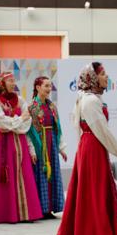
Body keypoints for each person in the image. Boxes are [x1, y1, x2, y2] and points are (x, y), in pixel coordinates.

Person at [53, 63, 117, 235]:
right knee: (96, 193)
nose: (107, 77)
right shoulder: (90, 101)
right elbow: (103, 132)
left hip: (91, 146)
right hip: (93, 147)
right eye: (103, 74)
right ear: (92, 78)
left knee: (90, 193)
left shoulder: (89, 99)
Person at [0, 72, 43, 224]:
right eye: (10, 81)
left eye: (14, 80)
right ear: (2, 83)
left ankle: (25, 214)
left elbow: (28, 122)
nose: (13, 83)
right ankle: (6, 214)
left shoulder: (20, 100)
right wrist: (19, 120)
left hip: (20, 143)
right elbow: (1, 123)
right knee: (5, 177)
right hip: (4, 145)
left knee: (23, 174)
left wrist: (14, 124)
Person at [28, 76, 67, 219]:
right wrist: (32, 149)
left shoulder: (52, 106)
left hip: (51, 143)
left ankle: (50, 208)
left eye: (50, 86)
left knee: (52, 175)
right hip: (40, 144)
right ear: (38, 88)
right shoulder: (32, 107)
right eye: (46, 86)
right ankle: (41, 209)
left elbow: (58, 128)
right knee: (41, 174)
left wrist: (61, 148)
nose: (49, 89)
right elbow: (29, 130)